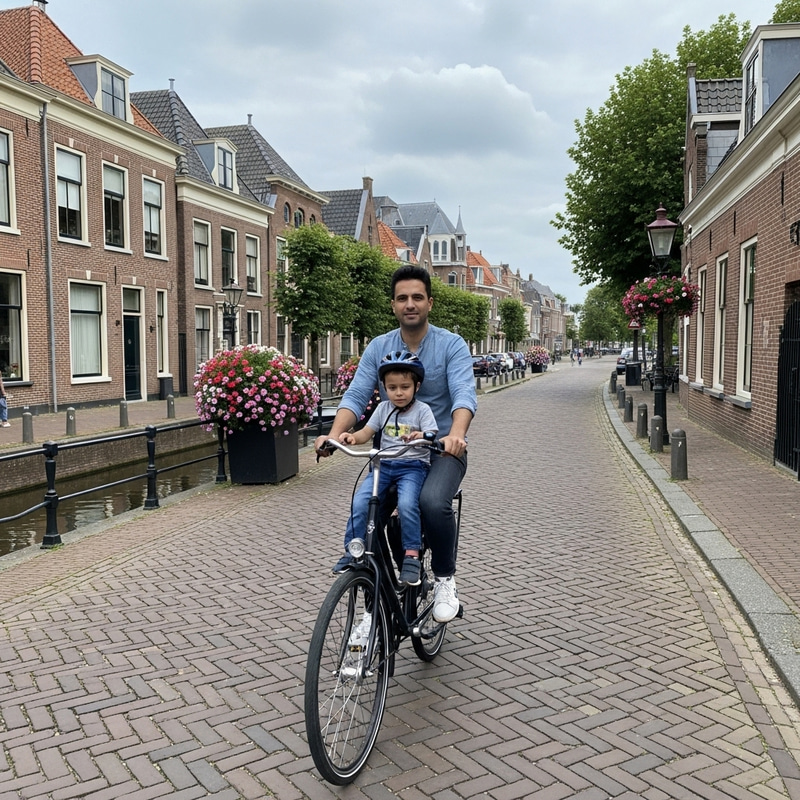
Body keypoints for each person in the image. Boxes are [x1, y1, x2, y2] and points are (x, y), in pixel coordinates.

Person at [316, 264, 477, 624]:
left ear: (429, 303)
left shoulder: (451, 345)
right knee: (371, 508)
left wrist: (457, 435)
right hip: (392, 454)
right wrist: (333, 434)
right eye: (402, 298)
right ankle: (377, 591)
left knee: (431, 502)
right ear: (393, 305)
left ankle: (444, 580)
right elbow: (356, 396)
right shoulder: (379, 347)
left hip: (440, 451)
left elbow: (465, 395)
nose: (410, 304)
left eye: (417, 297)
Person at [330, 352, 437, 587]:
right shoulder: (382, 408)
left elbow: (432, 434)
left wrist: (421, 436)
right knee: (360, 503)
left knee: (408, 504)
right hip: (383, 465)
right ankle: (353, 550)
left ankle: (411, 556)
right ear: (384, 388)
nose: (398, 393)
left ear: (416, 386)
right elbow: (367, 432)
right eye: (392, 387)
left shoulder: (422, 410)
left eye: (404, 387)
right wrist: (351, 437)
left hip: (412, 467)